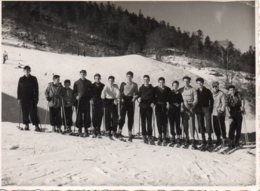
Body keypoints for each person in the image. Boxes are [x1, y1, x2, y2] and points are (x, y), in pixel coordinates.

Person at [17, 65, 40, 131]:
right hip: (23, 98)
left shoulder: (33, 78)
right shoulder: (21, 79)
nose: (27, 71)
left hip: (31, 99)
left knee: (33, 112)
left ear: (30, 71)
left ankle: (36, 126)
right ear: (23, 71)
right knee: (25, 112)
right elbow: (19, 89)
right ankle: (26, 125)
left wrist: (36, 98)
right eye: (25, 70)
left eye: (28, 70)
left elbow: (36, 89)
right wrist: (19, 98)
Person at [118, 71, 138, 142]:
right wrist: (122, 98)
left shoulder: (134, 84)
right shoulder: (123, 84)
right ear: (126, 77)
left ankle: (130, 132)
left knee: (130, 117)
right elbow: (120, 92)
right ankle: (119, 131)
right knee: (122, 117)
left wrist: (135, 97)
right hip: (124, 101)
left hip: (130, 101)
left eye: (130, 76)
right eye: (128, 76)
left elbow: (137, 93)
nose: (129, 78)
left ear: (132, 77)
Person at [73, 70, 94, 137]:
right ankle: (79, 129)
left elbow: (91, 92)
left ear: (86, 74)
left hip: (86, 100)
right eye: (81, 74)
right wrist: (76, 96)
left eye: (84, 74)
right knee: (79, 114)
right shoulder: (76, 82)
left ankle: (86, 129)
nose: (82, 75)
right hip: (79, 100)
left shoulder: (89, 82)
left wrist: (90, 98)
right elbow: (74, 91)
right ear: (80, 74)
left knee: (87, 115)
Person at [195, 77, 214, 150]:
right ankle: (203, 139)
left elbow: (211, 100)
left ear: (203, 83)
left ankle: (209, 139)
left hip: (206, 109)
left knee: (208, 123)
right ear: (197, 84)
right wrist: (195, 109)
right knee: (201, 123)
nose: (200, 84)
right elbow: (194, 100)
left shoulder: (207, 91)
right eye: (198, 83)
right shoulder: (196, 91)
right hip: (199, 109)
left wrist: (210, 108)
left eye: (201, 83)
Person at [179, 76, 198, 149]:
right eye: (185, 81)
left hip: (191, 108)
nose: (186, 82)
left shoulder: (193, 89)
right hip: (184, 108)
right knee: (185, 124)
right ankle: (186, 138)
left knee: (191, 123)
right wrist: (181, 106)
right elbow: (178, 98)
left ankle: (192, 139)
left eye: (187, 81)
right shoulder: (181, 90)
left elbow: (196, 100)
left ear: (189, 82)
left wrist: (192, 107)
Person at [137, 75, 155, 145]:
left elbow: (154, 97)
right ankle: (144, 135)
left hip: (149, 106)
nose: (146, 81)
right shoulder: (141, 88)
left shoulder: (152, 88)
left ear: (149, 80)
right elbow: (138, 95)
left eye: (147, 79)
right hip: (142, 106)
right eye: (144, 79)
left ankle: (149, 135)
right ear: (143, 80)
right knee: (143, 121)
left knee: (149, 121)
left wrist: (153, 102)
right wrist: (138, 99)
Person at [154, 77, 171, 146]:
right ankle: (159, 135)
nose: (161, 83)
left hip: (165, 107)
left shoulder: (167, 89)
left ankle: (164, 135)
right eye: (160, 82)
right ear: (158, 82)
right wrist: (154, 103)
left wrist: (168, 103)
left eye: (162, 82)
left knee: (164, 121)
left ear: (164, 82)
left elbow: (169, 98)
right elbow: (153, 97)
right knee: (158, 121)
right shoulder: (155, 89)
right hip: (158, 106)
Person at [167, 80, 183, 147]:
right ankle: (173, 137)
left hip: (177, 111)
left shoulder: (179, 93)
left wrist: (180, 105)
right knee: (171, 124)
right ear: (172, 86)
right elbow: (168, 101)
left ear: (178, 86)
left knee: (177, 124)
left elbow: (181, 101)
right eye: (174, 85)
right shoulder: (170, 93)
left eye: (176, 85)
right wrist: (172, 104)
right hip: (171, 111)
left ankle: (178, 137)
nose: (175, 86)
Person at [91, 73, 105, 138]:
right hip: (94, 102)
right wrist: (90, 99)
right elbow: (89, 94)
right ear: (94, 79)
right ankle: (94, 129)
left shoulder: (103, 85)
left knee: (100, 116)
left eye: (98, 78)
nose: (97, 79)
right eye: (96, 78)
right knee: (94, 116)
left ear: (100, 78)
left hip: (101, 102)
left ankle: (98, 129)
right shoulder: (92, 85)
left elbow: (105, 93)